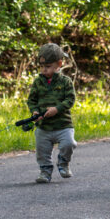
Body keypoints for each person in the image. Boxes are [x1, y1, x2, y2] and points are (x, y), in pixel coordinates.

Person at [27, 43, 77, 183]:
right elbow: (32, 100)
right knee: (42, 150)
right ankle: (45, 171)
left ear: (58, 64)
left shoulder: (65, 82)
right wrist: (34, 111)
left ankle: (63, 162)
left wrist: (57, 109)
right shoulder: (38, 82)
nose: (44, 69)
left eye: (48, 66)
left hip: (63, 125)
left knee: (69, 143)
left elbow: (70, 100)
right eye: (42, 66)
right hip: (44, 126)